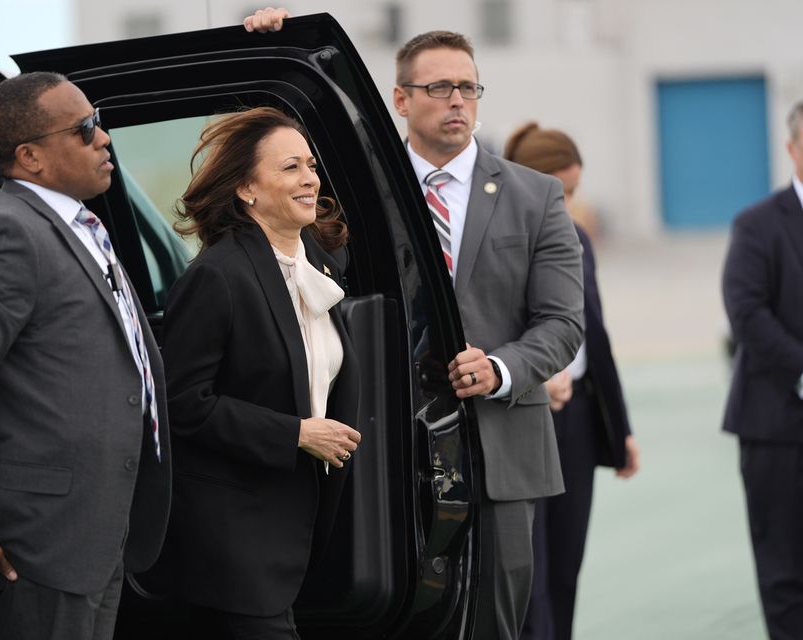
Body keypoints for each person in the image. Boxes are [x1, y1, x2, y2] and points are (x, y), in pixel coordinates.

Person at [245, 10, 584, 639]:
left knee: (495, 621)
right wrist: (273, 47)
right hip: (381, 444)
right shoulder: (353, 187)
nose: (457, 101)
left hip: (501, 450)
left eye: (468, 88)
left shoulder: (535, 197)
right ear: (400, 99)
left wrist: (501, 368)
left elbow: (563, 323)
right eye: (438, 88)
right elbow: (271, 157)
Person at [0, 72, 171, 640]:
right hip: (43, 540)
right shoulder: (9, 232)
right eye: (85, 129)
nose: (104, 139)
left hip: (97, 530)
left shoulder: (76, 223)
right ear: (30, 157)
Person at [154, 106, 361, 638]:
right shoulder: (217, 276)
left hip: (296, 528)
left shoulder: (316, 262)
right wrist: (295, 433)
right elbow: (180, 403)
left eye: (311, 166)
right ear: (247, 188)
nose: (311, 179)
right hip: (232, 539)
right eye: (291, 168)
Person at [503, 123, 640, 640]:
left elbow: (596, 338)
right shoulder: (503, 236)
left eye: (575, 192)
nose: (568, 204)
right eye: (560, 191)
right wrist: (538, 381)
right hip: (523, 414)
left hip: (577, 420)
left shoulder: (577, 238)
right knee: (528, 572)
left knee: (566, 566)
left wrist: (620, 429)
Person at [722, 101, 803, 640]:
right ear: (794, 147)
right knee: (785, 571)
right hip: (778, 425)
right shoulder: (757, 226)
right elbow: (747, 313)